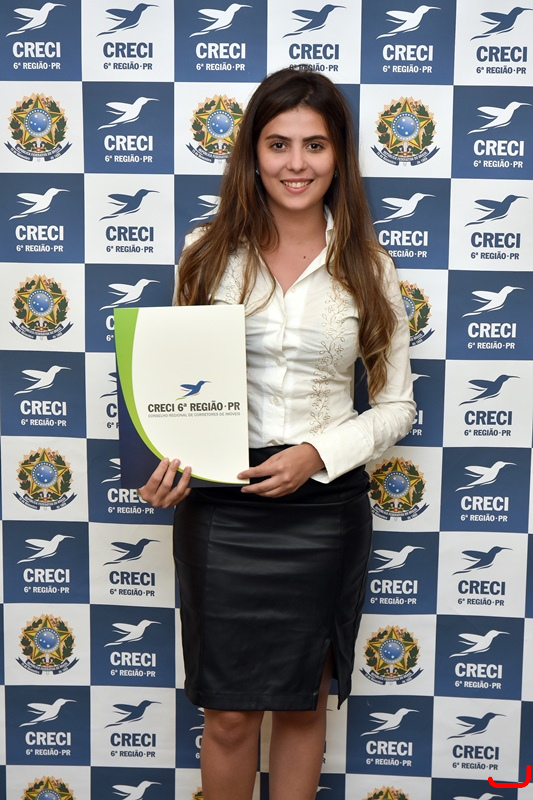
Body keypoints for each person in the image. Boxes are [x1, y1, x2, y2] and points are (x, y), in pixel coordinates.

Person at [138, 68, 415, 800]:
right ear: (253, 155)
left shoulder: (370, 267)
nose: (296, 163)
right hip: (222, 508)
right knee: (228, 715)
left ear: (338, 155)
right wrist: (170, 466)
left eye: (315, 145)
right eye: (278, 144)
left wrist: (316, 454)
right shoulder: (204, 254)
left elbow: (397, 407)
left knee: (300, 706)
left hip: (324, 508)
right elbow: (176, 386)